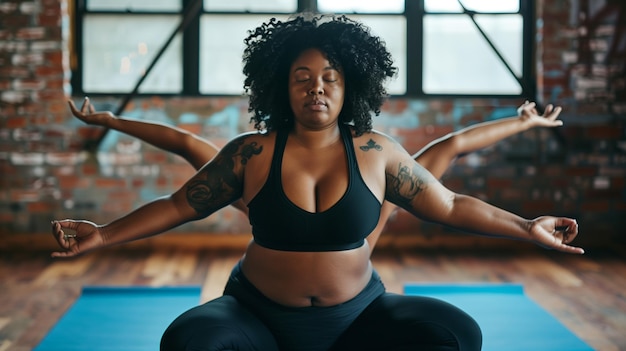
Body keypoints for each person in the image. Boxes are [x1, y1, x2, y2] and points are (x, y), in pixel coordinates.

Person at [52, 14, 583, 351]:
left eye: (330, 77)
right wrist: (103, 233)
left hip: (358, 319)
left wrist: (526, 226)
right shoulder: (252, 153)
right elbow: (177, 204)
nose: (316, 89)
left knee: (457, 333)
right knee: (188, 341)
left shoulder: (376, 153)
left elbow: (450, 203)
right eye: (301, 78)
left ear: (350, 85)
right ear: (280, 88)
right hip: (255, 316)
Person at [68, 97, 565, 251]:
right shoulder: (250, 170)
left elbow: (452, 149)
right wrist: (110, 121)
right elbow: (183, 145)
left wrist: (521, 124)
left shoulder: (390, 179)